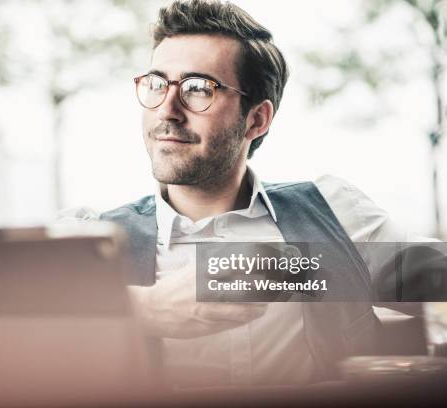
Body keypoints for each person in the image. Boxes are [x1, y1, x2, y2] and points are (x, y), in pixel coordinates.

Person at [61, 0, 410, 387]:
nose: (167, 110)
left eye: (197, 89)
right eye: (157, 84)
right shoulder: (91, 242)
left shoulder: (337, 215)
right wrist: (142, 309)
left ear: (256, 119)